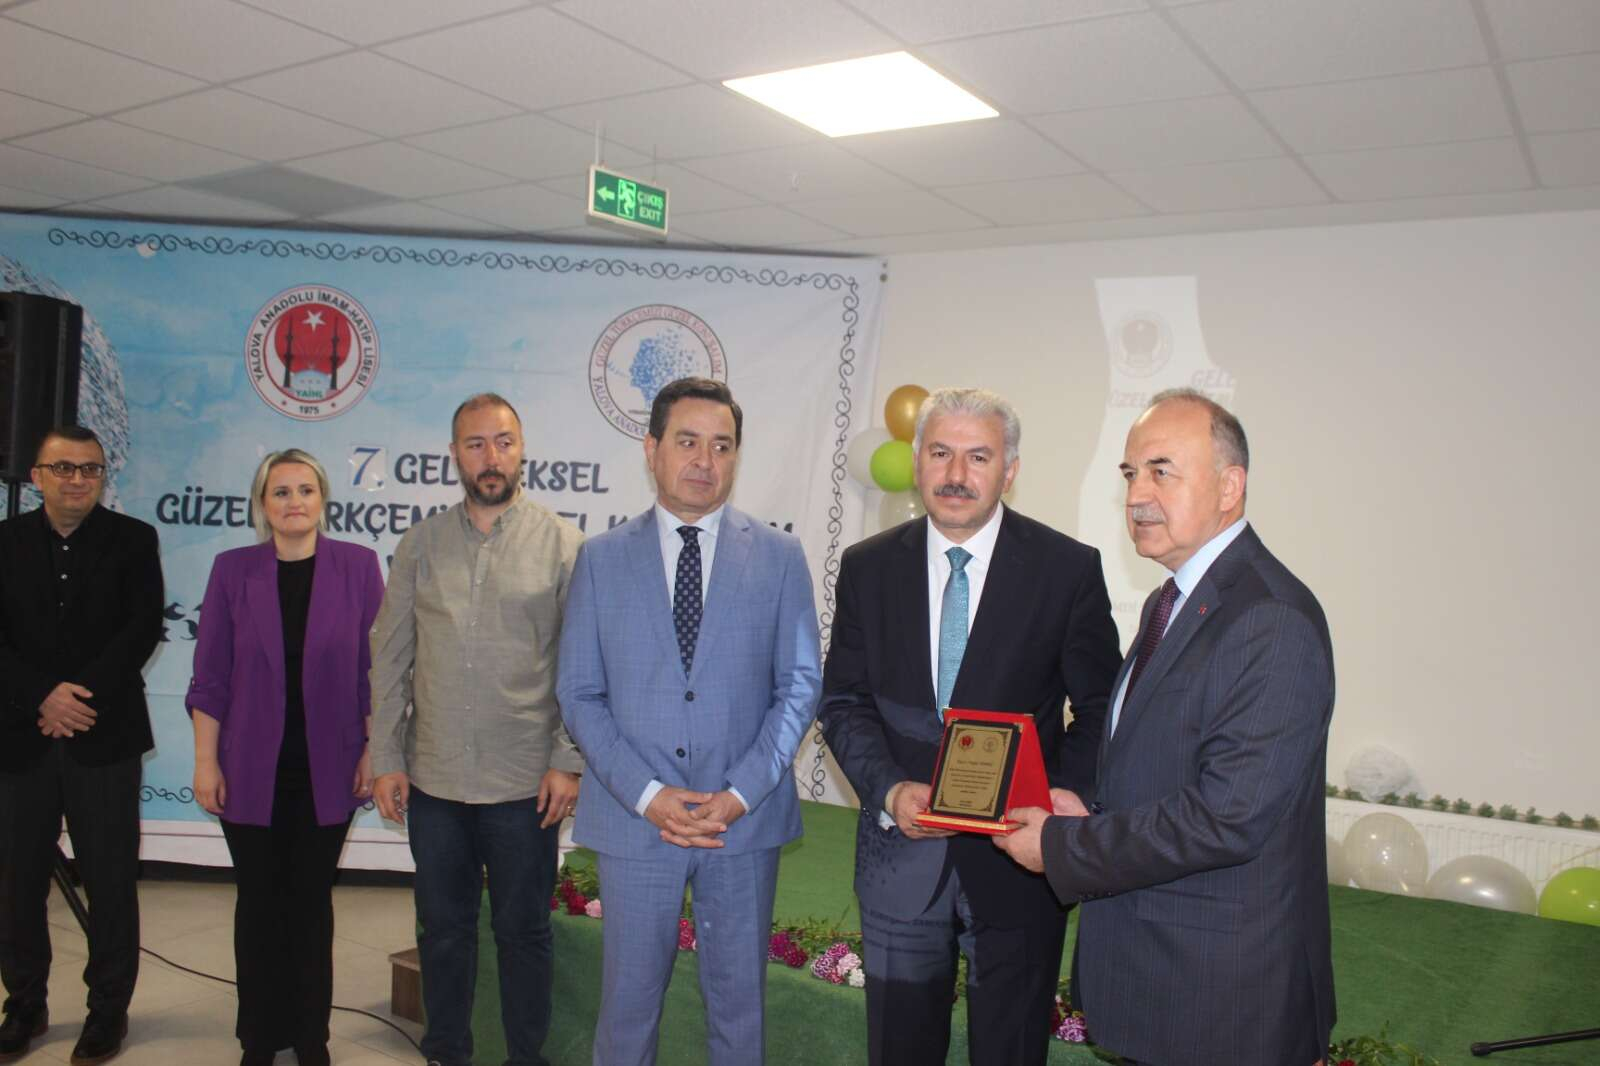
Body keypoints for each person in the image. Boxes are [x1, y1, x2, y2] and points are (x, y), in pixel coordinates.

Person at [994, 389, 1337, 1066]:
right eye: (1129, 474)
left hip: (1224, 999)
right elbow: (1155, 761)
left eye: (1161, 471)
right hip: (1161, 979)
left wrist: (1064, 844)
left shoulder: (1271, 618)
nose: (1136, 496)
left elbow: (1228, 817)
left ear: (1229, 487)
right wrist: (1088, 807)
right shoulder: (1170, 600)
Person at [817, 387, 1121, 1066]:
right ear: (917, 462)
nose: (956, 474)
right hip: (900, 858)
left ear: (1009, 470)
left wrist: (1061, 799)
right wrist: (890, 789)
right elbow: (843, 702)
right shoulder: (867, 567)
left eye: (978, 457)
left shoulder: (1067, 569)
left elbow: (1102, 706)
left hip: (1019, 862)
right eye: (940, 453)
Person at [557, 377, 822, 1066]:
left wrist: (739, 793)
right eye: (687, 442)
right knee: (627, 1009)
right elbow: (579, 694)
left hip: (742, 824)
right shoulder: (600, 559)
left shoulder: (779, 557)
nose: (705, 460)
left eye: (722, 446)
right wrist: (648, 796)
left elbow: (799, 686)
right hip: (635, 820)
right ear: (652, 450)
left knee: (738, 1010)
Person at [369, 393, 583, 1066]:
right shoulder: (421, 544)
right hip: (434, 780)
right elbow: (390, 655)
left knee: (523, 933)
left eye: (503, 442)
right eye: (476, 444)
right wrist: (385, 755)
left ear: (522, 450)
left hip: (525, 784)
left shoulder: (564, 545)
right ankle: (446, 1050)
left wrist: (567, 757)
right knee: (443, 931)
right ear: (455, 455)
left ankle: (525, 1056)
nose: (491, 457)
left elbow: (583, 664)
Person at [184, 449, 385, 1066]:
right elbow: (210, 676)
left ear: (323, 499)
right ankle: (259, 1037)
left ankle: (309, 1036)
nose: (294, 502)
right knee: (258, 906)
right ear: (262, 504)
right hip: (247, 770)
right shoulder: (232, 570)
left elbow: (374, 673)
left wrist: (373, 749)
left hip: (329, 768)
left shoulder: (358, 567)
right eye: (280, 492)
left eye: (305, 490)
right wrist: (205, 762)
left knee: (310, 906)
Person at [0, 426, 163, 1066]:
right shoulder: (5, 542)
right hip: (20, 737)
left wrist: (75, 700)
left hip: (106, 735)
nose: (77, 479)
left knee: (111, 880)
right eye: (63, 467)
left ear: (102, 476)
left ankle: (108, 1011)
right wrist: (42, 696)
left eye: (90, 469)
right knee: (15, 882)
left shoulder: (134, 540)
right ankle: (25, 1004)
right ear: (36, 476)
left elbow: (141, 630)